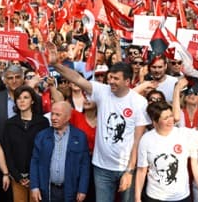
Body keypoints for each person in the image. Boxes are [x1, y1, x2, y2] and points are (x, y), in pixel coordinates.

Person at [46, 42, 150, 202]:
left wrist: (130, 171)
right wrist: (55, 64)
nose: (111, 82)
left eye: (116, 79)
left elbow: (138, 140)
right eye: (110, 78)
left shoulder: (139, 102)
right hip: (101, 168)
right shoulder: (103, 91)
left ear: (128, 82)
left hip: (126, 168)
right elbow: (76, 78)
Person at [135, 100, 198, 202]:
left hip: (181, 197)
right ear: (155, 122)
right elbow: (141, 171)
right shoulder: (146, 139)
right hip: (154, 197)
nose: (170, 120)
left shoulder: (183, 134)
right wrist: (137, 198)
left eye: (171, 116)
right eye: (165, 118)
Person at [30, 101, 90, 202]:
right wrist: (34, 187)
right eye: (52, 114)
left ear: (68, 117)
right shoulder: (42, 136)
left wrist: (82, 189)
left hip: (70, 191)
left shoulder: (80, 137)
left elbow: (85, 165)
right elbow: (34, 162)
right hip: (47, 191)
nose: (53, 118)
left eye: (57, 115)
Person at [3, 86, 49, 202]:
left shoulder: (42, 122)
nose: (22, 101)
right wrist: (17, 176)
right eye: (18, 98)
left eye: (26, 97)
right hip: (17, 177)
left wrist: (33, 175)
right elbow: (7, 152)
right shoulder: (9, 124)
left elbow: (45, 151)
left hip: (38, 176)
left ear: (32, 100)